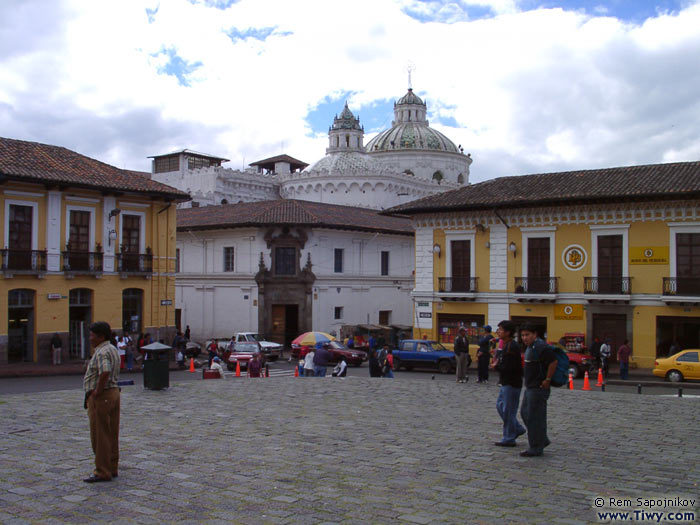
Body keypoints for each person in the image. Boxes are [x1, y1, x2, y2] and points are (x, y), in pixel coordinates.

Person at [82, 321, 121, 482]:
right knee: (111, 432)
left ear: (101, 336)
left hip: (102, 396)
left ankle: (102, 470)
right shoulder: (112, 348)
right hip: (113, 393)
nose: (90, 338)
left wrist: (97, 391)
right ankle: (112, 467)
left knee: (100, 435)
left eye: (92, 335)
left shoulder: (102, 352)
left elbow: (104, 371)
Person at [519, 322, 557, 457]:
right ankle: (541, 439)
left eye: (527, 335)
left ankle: (536, 447)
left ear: (535, 334)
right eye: (523, 335)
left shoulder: (541, 346)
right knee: (525, 413)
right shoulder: (530, 347)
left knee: (535, 416)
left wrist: (547, 379)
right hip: (530, 386)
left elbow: (553, 362)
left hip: (538, 388)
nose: (524, 338)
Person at [493, 320, 525, 447]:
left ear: (508, 332)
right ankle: (517, 428)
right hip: (506, 382)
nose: (498, 332)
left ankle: (509, 437)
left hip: (512, 383)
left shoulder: (512, 346)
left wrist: (497, 366)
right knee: (500, 406)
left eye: (500, 330)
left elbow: (509, 367)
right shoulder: (506, 345)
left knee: (508, 410)